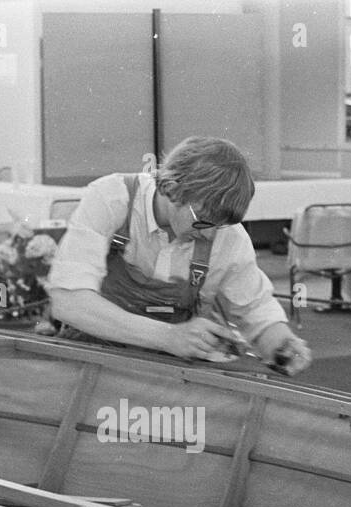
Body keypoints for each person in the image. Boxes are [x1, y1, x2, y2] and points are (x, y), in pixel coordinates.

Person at [47, 136, 311, 375]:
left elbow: (255, 309)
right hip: (91, 363)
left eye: (218, 226)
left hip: (170, 375)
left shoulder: (227, 235)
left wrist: (281, 344)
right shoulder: (112, 198)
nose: (209, 235)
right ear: (171, 189)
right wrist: (169, 336)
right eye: (203, 222)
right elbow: (69, 302)